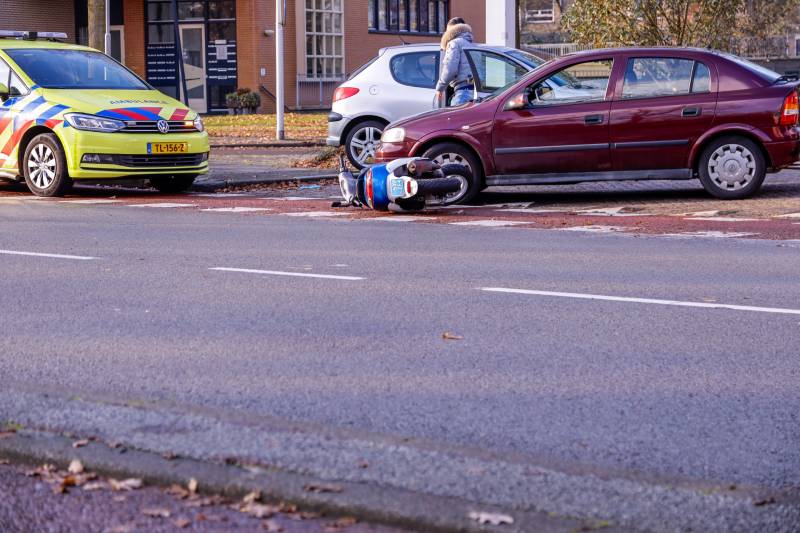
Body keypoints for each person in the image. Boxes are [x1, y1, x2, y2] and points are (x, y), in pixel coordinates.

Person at [435, 17, 475, 107]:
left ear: (453, 31)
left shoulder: (454, 43)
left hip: (462, 92)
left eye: (448, 31)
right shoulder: (471, 44)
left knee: (455, 120)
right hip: (473, 91)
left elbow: (450, 69)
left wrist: (440, 88)